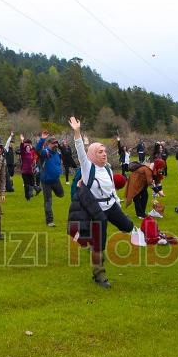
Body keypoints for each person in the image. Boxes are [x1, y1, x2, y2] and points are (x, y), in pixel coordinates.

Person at [69, 116, 134, 288]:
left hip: (111, 205)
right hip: (95, 210)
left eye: (105, 151)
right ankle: (99, 275)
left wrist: (118, 207)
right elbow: (79, 149)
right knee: (99, 245)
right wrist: (77, 132)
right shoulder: (87, 167)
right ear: (92, 155)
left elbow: (112, 189)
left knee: (128, 226)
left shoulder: (107, 168)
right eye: (100, 152)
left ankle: (144, 235)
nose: (104, 154)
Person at [35, 132, 64, 227]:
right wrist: (42, 139)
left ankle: (54, 191)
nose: (55, 145)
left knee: (61, 194)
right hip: (46, 181)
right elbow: (37, 149)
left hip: (56, 180)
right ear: (48, 144)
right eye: (53, 143)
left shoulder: (58, 153)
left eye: (56, 143)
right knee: (48, 201)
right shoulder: (45, 152)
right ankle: (50, 221)